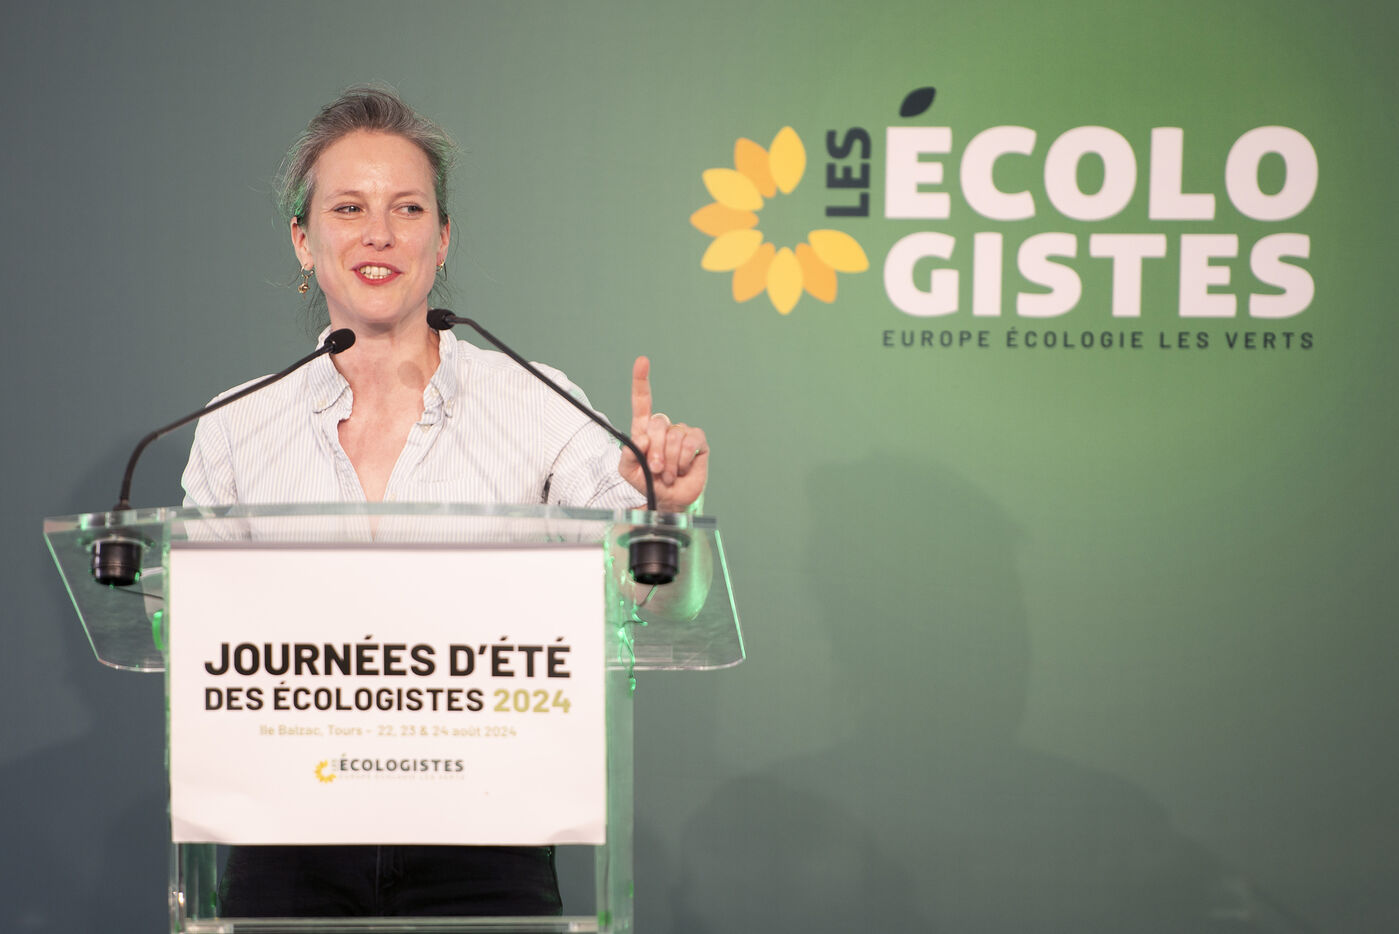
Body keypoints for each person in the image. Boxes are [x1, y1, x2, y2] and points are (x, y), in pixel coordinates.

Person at [181, 86, 709, 918]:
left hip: (487, 841)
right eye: (348, 208)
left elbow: (655, 606)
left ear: (443, 238)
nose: (379, 234)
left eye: (408, 208)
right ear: (303, 240)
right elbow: (186, 638)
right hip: (289, 840)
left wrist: (662, 518)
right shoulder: (237, 426)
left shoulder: (537, 403)